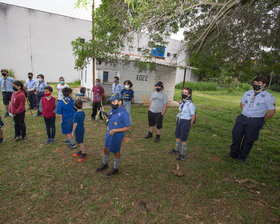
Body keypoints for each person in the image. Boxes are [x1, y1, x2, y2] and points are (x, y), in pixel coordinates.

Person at [227, 76, 276, 162]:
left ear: (264, 85)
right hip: (242, 118)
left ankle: (241, 157)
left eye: (259, 84)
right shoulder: (247, 93)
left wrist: (261, 119)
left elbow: (272, 111)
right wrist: (247, 112)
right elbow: (242, 104)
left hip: (255, 121)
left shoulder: (268, 96)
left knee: (249, 140)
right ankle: (232, 154)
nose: (256, 85)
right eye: (255, 83)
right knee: (236, 136)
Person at [96, 93, 131, 177]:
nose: (112, 103)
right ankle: (105, 164)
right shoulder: (112, 109)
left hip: (117, 135)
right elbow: (108, 119)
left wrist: (115, 130)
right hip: (109, 133)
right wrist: (103, 112)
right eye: (111, 101)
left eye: (114, 101)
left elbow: (128, 127)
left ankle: (115, 168)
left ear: (120, 102)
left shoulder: (124, 113)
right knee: (105, 148)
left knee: (116, 151)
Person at [169, 88, 196, 161]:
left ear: (189, 94)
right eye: (183, 92)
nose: (183, 94)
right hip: (179, 120)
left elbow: (193, 115)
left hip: (185, 122)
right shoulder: (182, 102)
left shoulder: (190, 104)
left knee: (183, 138)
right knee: (177, 136)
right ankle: (176, 149)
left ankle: (183, 154)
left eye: (185, 93)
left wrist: (189, 124)